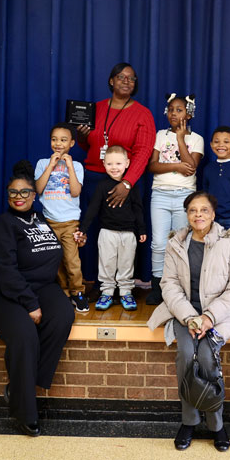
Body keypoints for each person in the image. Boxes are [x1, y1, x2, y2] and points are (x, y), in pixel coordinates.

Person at [147, 191, 230, 452]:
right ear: (187, 214)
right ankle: (189, 421)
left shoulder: (229, 244)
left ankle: (217, 424)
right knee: (185, 353)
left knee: (206, 357)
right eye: (193, 210)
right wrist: (191, 317)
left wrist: (209, 317)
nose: (198, 215)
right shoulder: (176, 243)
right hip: (185, 314)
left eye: (204, 210)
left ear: (213, 214)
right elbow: (168, 284)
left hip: (218, 316)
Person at [0, 161, 75, 437]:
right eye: (13, 193)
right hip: (2, 291)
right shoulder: (3, 225)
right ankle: (25, 411)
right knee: (24, 334)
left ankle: (27, 383)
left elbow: (52, 253)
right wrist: (30, 304)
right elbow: (5, 271)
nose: (19, 197)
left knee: (62, 316)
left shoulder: (42, 220)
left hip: (41, 285)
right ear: (7, 196)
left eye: (24, 192)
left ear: (34, 195)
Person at [75, 62, 157, 282]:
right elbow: (90, 146)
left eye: (131, 78)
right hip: (93, 179)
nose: (126, 81)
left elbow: (143, 152)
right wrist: (82, 137)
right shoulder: (96, 108)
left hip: (124, 182)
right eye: (121, 77)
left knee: (122, 236)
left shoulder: (143, 114)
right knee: (92, 232)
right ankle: (93, 281)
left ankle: (124, 284)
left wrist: (127, 184)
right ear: (111, 81)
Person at [146, 94, 204, 305]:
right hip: (160, 194)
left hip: (184, 196)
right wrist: (176, 166)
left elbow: (191, 169)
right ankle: (158, 286)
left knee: (180, 243)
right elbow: (152, 166)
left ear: (188, 114)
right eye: (170, 109)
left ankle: (178, 287)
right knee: (159, 243)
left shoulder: (196, 139)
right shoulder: (160, 135)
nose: (173, 113)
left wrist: (180, 139)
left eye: (179, 110)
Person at [75, 146, 147, 311]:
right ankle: (106, 292)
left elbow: (138, 208)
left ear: (127, 163)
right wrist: (83, 229)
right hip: (107, 232)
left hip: (129, 233)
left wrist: (141, 230)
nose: (114, 167)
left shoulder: (132, 186)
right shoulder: (102, 186)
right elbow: (93, 209)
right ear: (104, 164)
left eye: (118, 163)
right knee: (106, 263)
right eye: (109, 164)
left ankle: (125, 292)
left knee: (126, 263)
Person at [35, 123, 87, 312]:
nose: (58, 143)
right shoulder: (42, 163)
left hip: (69, 223)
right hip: (48, 222)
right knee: (53, 262)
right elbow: (38, 189)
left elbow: (75, 192)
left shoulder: (78, 166)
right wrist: (51, 165)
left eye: (63, 140)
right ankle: (62, 292)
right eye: (54, 139)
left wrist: (70, 166)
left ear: (72, 143)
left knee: (72, 260)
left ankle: (77, 292)